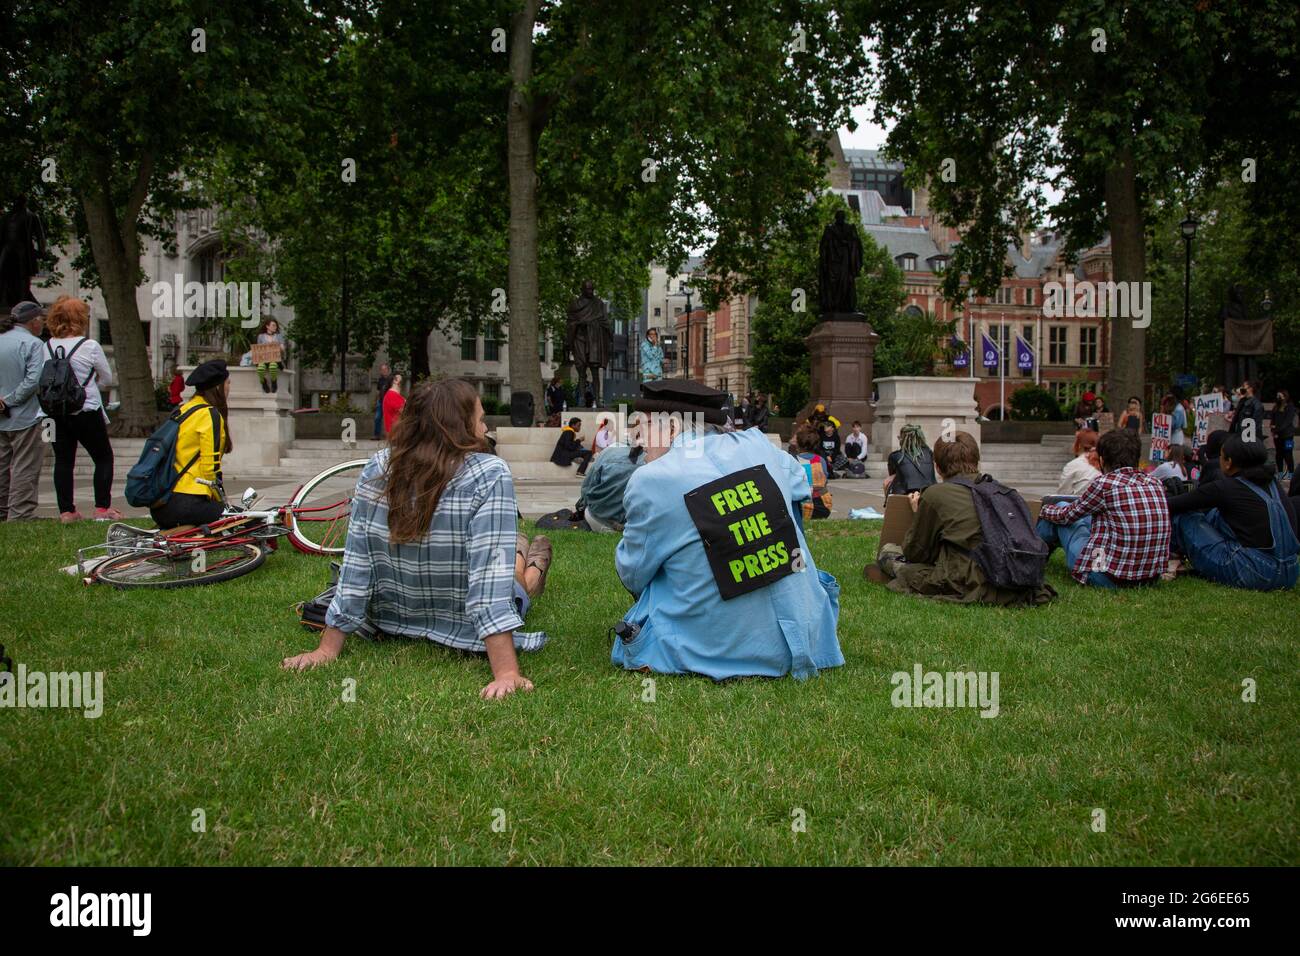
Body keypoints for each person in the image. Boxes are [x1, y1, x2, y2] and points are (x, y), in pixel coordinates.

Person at [282, 380, 554, 699]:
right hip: (467, 625)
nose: (486, 425)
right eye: (481, 419)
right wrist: (507, 672)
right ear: (459, 427)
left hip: (390, 621)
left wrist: (327, 650)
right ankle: (535, 561)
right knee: (517, 578)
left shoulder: (379, 467)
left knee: (511, 552)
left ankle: (526, 548)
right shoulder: (490, 473)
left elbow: (357, 565)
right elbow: (489, 581)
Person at [612, 379, 844, 680]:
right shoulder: (760, 445)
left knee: (655, 564)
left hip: (718, 651)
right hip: (809, 637)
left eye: (643, 430)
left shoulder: (651, 479)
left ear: (671, 428)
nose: (639, 442)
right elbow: (803, 487)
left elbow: (633, 574)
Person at [877, 431, 1055, 605]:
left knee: (889, 551)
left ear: (937, 467)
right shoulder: (1002, 491)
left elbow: (916, 553)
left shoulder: (935, 494)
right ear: (977, 461)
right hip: (1016, 575)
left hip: (970, 581)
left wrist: (920, 513)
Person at [1036, 428, 1170, 588]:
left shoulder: (1105, 485)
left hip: (1107, 577)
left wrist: (1043, 510)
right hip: (1150, 578)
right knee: (1081, 517)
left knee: (1060, 507)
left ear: (1101, 459)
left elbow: (1066, 515)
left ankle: (1031, 557)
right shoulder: (1155, 483)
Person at [1168, 436, 1298, 591]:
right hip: (1290, 571)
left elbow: (1172, 506)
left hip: (1253, 572)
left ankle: (1173, 559)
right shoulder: (1274, 485)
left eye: (1222, 457)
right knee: (1216, 514)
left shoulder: (1226, 487)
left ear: (1229, 463)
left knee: (1185, 517)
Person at [44, 296, 121, 522]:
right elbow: (107, 378)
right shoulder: (89, 346)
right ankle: (101, 508)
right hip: (85, 409)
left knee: (63, 460)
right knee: (103, 456)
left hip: (52, 413)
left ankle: (66, 511)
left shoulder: (46, 345)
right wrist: (90, 384)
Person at [150, 360, 232, 529]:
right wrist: (223, 502)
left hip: (161, 503)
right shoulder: (209, 414)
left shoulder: (184, 409)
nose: (229, 387)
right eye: (228, 383)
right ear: (218, 387)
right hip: (188, 502)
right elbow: (210, 469)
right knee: (243, 519)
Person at [0, 301, 47, 521]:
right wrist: (9, 401)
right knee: (25, 465)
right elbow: (33, 381)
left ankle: (2, 511)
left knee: (1, 466)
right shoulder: (33, 344)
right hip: (25, 415)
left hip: (2, 416)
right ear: (34, 321)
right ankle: (20, 513)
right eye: (42, 319)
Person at [575, 441, 645, 533]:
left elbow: (587, 487)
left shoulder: (609, 452)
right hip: (637, 524)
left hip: (598, 520)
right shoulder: (658, 458)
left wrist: (580, 507)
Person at [884, 423, 936, 496]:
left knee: (887, 481)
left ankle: (889, 505)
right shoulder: (929, 453)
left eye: (899, 437)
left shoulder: (895, 456)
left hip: (905, 492)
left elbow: (892, 475)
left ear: (903, 439)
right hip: (929, 491)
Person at [794, 425, 833, 520]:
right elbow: (825, 480)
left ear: (798, 444)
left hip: (802, 509)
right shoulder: (821, 460)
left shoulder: (794, 461)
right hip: (824, 507)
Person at [1056, 429, 1102, 495]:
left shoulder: (1073, 465)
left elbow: (1063, 494)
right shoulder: (1105, 462)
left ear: (1079, 445)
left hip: (1081, 503)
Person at [255, 318, 287, 393]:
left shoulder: (278, 336)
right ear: (267, 326)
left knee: (273, 366)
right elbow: (258, 349)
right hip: (264, 359)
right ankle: (263, 382)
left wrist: (277, 345)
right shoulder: (261, 336)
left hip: (275, 359)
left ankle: (274, 381)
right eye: (273, 325)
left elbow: (283, 348)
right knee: (260, 368)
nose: (275, 327)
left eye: (275, 325)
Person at [1270, 389, 1295, 480]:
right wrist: (1273, 429)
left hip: (1288, 435)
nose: (1279, 398)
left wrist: (1277, 430)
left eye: (1280, 396)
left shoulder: (1290, 407)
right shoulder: (1275, 407)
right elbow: (1272, 420)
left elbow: (1287, 422)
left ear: (1285, 397)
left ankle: (1291, 473)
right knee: (1279, 454)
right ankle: (1280, 473)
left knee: (1288, 453)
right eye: (1278, 396)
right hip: (1277, 436)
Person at [372, 362, 392, 439]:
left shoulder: (391, 379)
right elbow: (378, 391)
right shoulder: (380, 380)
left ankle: (391, 435)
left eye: (385, 369)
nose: (383, 371)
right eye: (382, 370)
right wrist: (376, 401)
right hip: (381, 402)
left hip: (388, 402)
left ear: (388, 370)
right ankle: (376, 435)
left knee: (390, 419)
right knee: (377, 418)